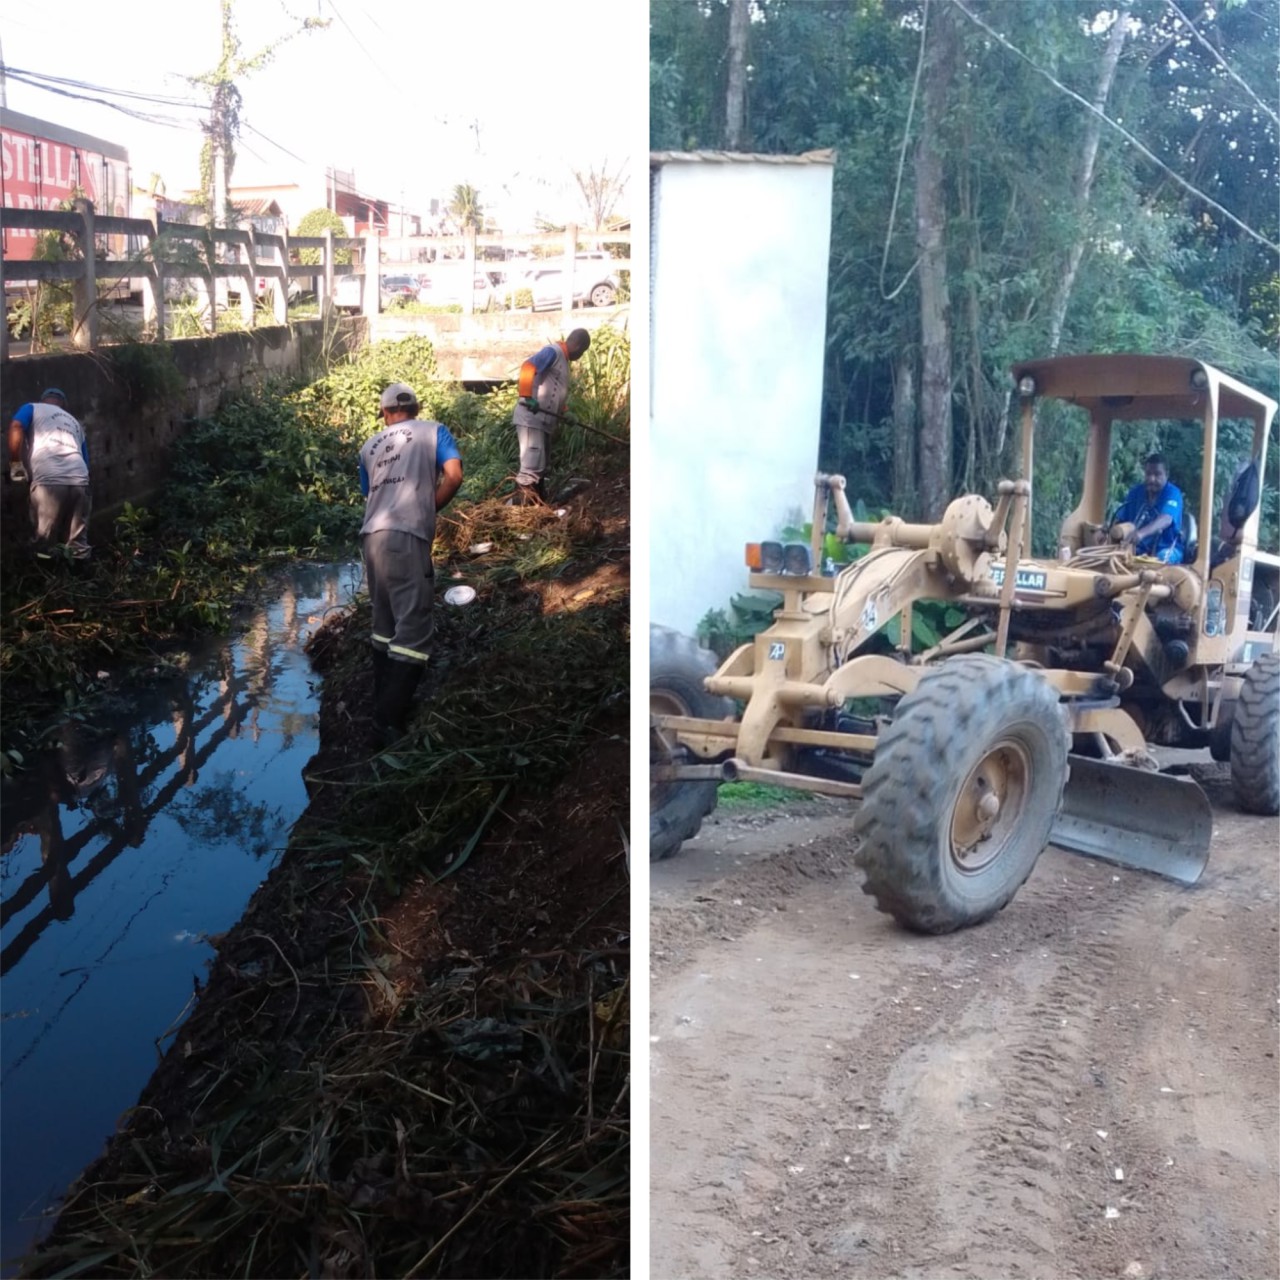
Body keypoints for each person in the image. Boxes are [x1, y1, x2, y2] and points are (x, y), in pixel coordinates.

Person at [358, 383, 464, 742]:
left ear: (385, 413)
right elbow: (454, 475)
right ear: (416, 409)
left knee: (383, 622)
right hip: (406, 537)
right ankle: (387, 721)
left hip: (371, 536)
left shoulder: (369, 447)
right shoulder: (435, 431)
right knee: (414, 632)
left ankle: (381, 700)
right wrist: (428, 507)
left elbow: (371, 492)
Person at [7, 388, 92, 560]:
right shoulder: (75, 422)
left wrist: (16, 463)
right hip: (80, 479)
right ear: (63, 405)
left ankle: (45, 581)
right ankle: (79, 580)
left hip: (49, 479)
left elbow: (16, 426)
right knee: (77, 543)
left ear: (43, 399)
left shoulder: (31, 408)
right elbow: (86, 460)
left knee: (44, 541)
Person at [509, 327, 590, 504]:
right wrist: (527, 396)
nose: (581, 356)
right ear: (578, 346)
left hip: (543, 422)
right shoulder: (553, 352)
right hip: (531, 418)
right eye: (582, 351)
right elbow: (527, 367)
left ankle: (538, 506)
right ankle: (520, 512)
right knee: (531, 466)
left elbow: (554, 394)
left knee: (541, 466)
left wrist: (565, 411)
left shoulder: (563, 363)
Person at [1108, 452, 1184, 564]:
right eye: (1148, 474)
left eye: (1157, 474)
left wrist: (1141, 534)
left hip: (1166, 547)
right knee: (1110, 556)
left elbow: (1166, 519)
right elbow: (1120, 519)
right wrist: (1109, 533)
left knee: (1161, 559)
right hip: (1137, 549)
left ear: (1166, 475)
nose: (1152, 479)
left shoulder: (1172, 493)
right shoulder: (1135, 493)